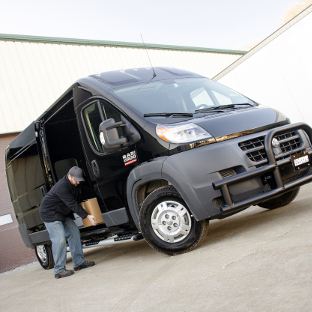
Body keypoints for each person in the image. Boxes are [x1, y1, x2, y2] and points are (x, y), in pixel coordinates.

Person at [40, 166, 98, 279]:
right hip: (50, 213)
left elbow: (86, 191)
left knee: (74, 232)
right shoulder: (62, 187)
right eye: (75, 180)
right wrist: (87, 216)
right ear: (69, 176)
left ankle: (78, 262)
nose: (77, 182)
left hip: (62, 213)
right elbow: (72, 204)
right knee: (60, 238)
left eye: (79, 180)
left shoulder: (76, 183)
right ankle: (59, 270)